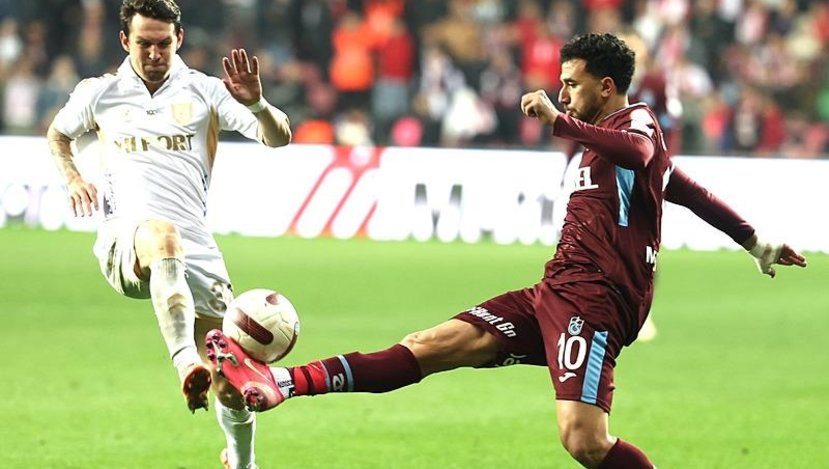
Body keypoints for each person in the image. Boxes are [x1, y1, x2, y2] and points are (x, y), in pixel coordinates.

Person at [204, 33, 806, 468]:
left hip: (596, 303)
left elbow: (646, 155)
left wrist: (560, 121)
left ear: (606, 87)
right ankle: (283, 381)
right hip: (555, 290)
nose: (562, 92)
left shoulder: (636, 123)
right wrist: (754, 239)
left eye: (571, 84)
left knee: (584, 441)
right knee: (430, 345)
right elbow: (685, 188)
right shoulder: (604, 145)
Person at [45, 1, 291, 468]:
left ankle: (242, 462)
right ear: (125, 41)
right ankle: (184, 362)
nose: (154, 53)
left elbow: (279, 137)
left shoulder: (206, 91)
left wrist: (257, 104)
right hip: (126, 241)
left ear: (179, 39)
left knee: (231, 380)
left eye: (163, 43)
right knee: (162, 236)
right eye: (144, 44)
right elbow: (58, 135)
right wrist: (73, 178)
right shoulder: (100, 92)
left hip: (198, 252)